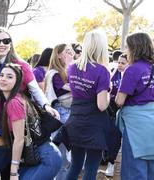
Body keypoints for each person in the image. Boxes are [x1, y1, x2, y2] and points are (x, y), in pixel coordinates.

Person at [0, 63, 62, 179]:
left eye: (9, 76)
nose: (3, 79)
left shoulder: (14, 103)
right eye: (1, 75)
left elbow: (19, 139)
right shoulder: (15, 99)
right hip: (41, 156)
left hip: (46, 159)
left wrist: (13, 172)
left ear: (18, 82)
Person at [62, 30, 111, 180]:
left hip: (75, 120)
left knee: (75, 165)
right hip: (93, 124)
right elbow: (102, 105)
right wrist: (109, 92)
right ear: (102, 47)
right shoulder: (102, 71)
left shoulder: (72, 67)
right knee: (91, 169)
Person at [0, 27, 59, 118]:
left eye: (6, 41)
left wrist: (46, 106)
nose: (2, 44)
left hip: (16, 112)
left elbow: (35, 90)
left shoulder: (22, 65)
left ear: (11, 44)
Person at [115, 32, 154, 180]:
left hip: (136, 127)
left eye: (128, 47)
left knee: (134, 170)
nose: (126, 51)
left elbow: (119, 100)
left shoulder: (133, 69)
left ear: (134, 48)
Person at [45, 44, 74, 180]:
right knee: (61, 156)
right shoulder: (54, 74)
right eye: (67, 51)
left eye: (72, 51)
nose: (72, 54)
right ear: (58, 55)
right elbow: (74, 87)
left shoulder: (69, 71)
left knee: (67, 158)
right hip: (60, 116)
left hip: (71, 114)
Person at [98, 53, 128, 177]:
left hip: (126, 111)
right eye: (119, 62)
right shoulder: (113, 73)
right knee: (112, 138)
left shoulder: (130, 75)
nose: (120, 65)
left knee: (124, 140)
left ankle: (122, 167)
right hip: (111, 111)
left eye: (123, 63)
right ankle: (110, 163)